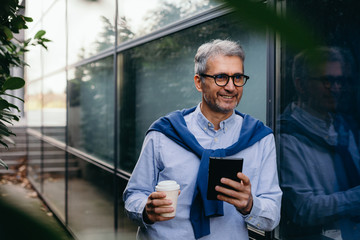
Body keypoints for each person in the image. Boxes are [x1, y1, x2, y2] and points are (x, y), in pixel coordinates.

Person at [123, 39, 282, 239]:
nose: (231, 87)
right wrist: (146, 210)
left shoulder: (260, 138)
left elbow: (272, 214)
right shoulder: (164, 133)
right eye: (221, 77)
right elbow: (133, 196)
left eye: (238, 77)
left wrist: (250, 205)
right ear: (199, 82)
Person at [279, 47, 360, 240]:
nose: (335, 88)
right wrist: (356, 198)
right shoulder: (286, 137)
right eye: (326, 80)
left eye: (340, 80)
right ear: (301, 85)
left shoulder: (345, 128)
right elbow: (303, 209)